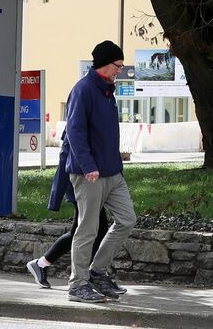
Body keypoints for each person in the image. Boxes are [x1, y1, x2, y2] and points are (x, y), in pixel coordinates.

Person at [64, 40, 137, 303]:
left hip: (112, 173)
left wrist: (114, 166)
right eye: (118, 65)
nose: (120, 70)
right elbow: (74, 131)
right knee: (87, 229)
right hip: (89, 174)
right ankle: (77, 285)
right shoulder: (83, 90)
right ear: (105, 63)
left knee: (127, 219)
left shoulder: (108, 91)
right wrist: (88, 166)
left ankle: (97, 272)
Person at [25, 132, 123, 294]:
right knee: (88, 231)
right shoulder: (77, 126)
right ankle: (92, 276)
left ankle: (43, 263)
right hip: (81, 185)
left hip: (94, 182)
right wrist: (56, 198)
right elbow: (65, 158)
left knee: (88, 230)